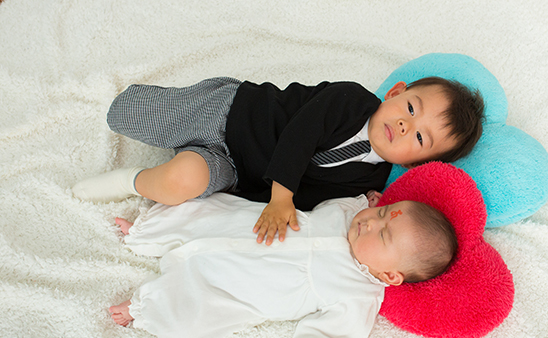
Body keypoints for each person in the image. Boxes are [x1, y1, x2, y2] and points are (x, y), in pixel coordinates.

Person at [109, 191, 457, 338]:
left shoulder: (360, 294)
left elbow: (336, 337)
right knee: (206, 212)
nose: (371, 222)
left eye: (382, 234)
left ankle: (144, 308)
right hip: (251, 226)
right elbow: (350, 202)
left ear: (390, 275)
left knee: (192, 316)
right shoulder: (351, 213)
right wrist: (368, 200)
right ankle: (145, 231)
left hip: (238, 284)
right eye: (381, 213)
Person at [74, 76, 483, 245]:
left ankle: (129, 181)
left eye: (419, 138)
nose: (405, 126)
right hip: (232, 115)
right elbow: (299, 136)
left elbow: (313, 203)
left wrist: (362, 207)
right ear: (395, 93)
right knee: (128, 114)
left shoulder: (368, 178)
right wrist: (281, 196)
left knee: (179, 182)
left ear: (415, 164)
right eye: (410, 108)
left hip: (234, 170)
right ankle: (127, 100)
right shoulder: (351, 100)